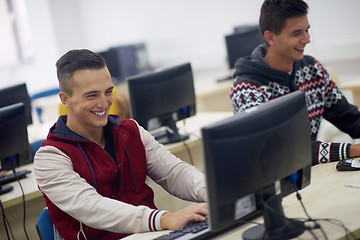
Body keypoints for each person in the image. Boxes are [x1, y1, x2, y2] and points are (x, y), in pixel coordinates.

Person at [34, 49, 207, 240]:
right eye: (92, 95)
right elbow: (93, 208)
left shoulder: (131, 131)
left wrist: (213, 192)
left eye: (108, 92)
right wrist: (164, 219)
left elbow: (174, 172)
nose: (104, 103)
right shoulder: (50, 157)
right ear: (65, 99)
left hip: (153, 235)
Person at [230, 0, 360, 165]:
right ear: (270, 38)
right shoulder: (247, 90)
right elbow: (281, 151)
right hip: (267, 182)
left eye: (307, 30)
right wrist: (353, 150)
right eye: (296, 33)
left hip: (303, 175)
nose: (307, 39)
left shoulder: (312, 69)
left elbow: (350, 119)